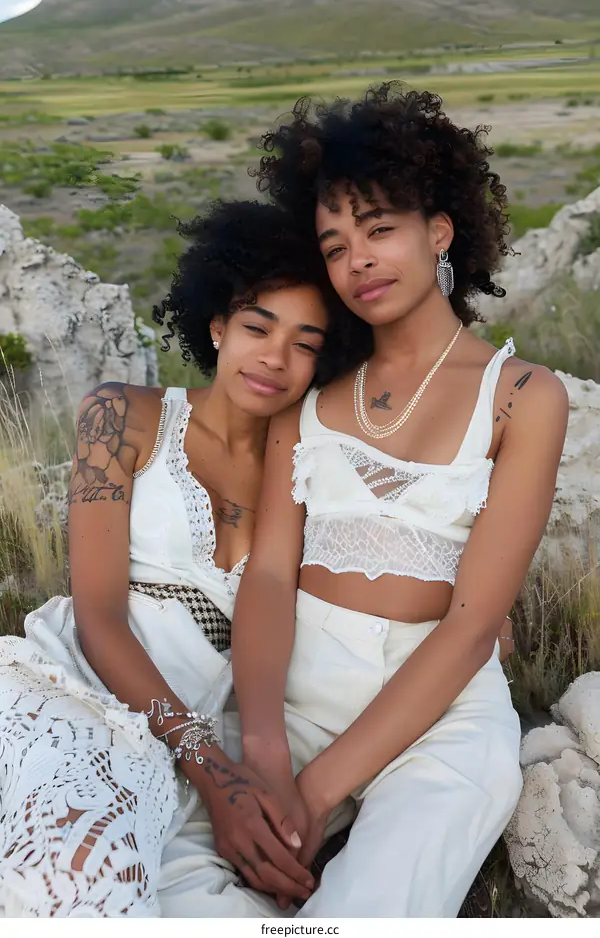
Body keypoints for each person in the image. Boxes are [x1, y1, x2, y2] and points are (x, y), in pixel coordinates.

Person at [227, 84, 569, 918]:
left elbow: (471, 623)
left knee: (373, 907)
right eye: (335, 244)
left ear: (439, 231)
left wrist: (314, 794)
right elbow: (270, 575)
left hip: (443, 703)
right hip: (295, 683)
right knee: (168, 865)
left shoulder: (522, 393)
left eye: (380, 229)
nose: (358, 261)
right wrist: (267, 751)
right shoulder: (310, 394)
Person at [0, 199, 363, 918]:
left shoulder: (312, 474)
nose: (274, 357)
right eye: (258, 326)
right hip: (77, 686)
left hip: (196, 733)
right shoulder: (123, 415)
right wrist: (212, 769)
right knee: (70, 873)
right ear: (219, 324)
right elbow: (99, 618)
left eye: (304, 342)